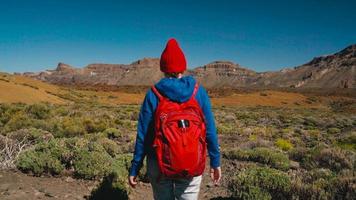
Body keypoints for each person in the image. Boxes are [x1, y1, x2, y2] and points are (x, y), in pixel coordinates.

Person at [128, 38, 221, 200]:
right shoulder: (198, 92)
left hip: (158, 161)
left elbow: (143, 135)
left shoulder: (154, 94)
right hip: (192, 160)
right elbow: (210, 131)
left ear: (163, 67)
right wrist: (215, 162)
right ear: (183, 67)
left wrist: (135, 167)